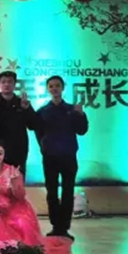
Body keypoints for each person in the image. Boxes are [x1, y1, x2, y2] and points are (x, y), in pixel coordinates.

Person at [0, 141, 71, 254]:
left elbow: (20, 197)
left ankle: (22, 249)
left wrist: (15, 185)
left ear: (4, 156)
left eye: (0, 153)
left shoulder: (12, 171)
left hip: (15, 208)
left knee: (22, 224)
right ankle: (1, 247)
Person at [36, 75, 89, 240]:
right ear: (47, 89)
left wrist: (80, 115)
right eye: (51, 86)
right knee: (51, 192)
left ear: (63, 88)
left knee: (68, 191)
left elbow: (82, 130)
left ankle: (64, 227)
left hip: (68, 156)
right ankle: (55, 226)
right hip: (50, 157)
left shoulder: (73, 110)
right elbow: (39, 133)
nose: (54, 89)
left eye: (57, 86)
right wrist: (45, 148)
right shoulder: (42, 112)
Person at [0, 71, 38, 180]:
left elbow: (33, 125)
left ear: (15, 84)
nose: (6, 84)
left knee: (17, 185)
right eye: (3, 82)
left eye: (10, 82)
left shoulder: (22, 103)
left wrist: (27, 109)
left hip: (18, 151)